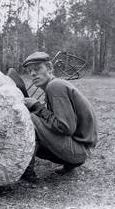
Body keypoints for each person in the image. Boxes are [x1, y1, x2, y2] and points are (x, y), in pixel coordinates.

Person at [21, 51, 98, 181]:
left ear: (50, 68)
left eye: (37, 69)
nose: (33, 74)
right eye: (29, 71)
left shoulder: (55, 86)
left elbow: (65, 128)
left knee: (31, 119)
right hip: (80, 150)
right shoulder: (56, 85)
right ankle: (68, 164)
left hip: (79, 150)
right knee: (36, 121)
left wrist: (37, 107)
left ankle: (26, 173)